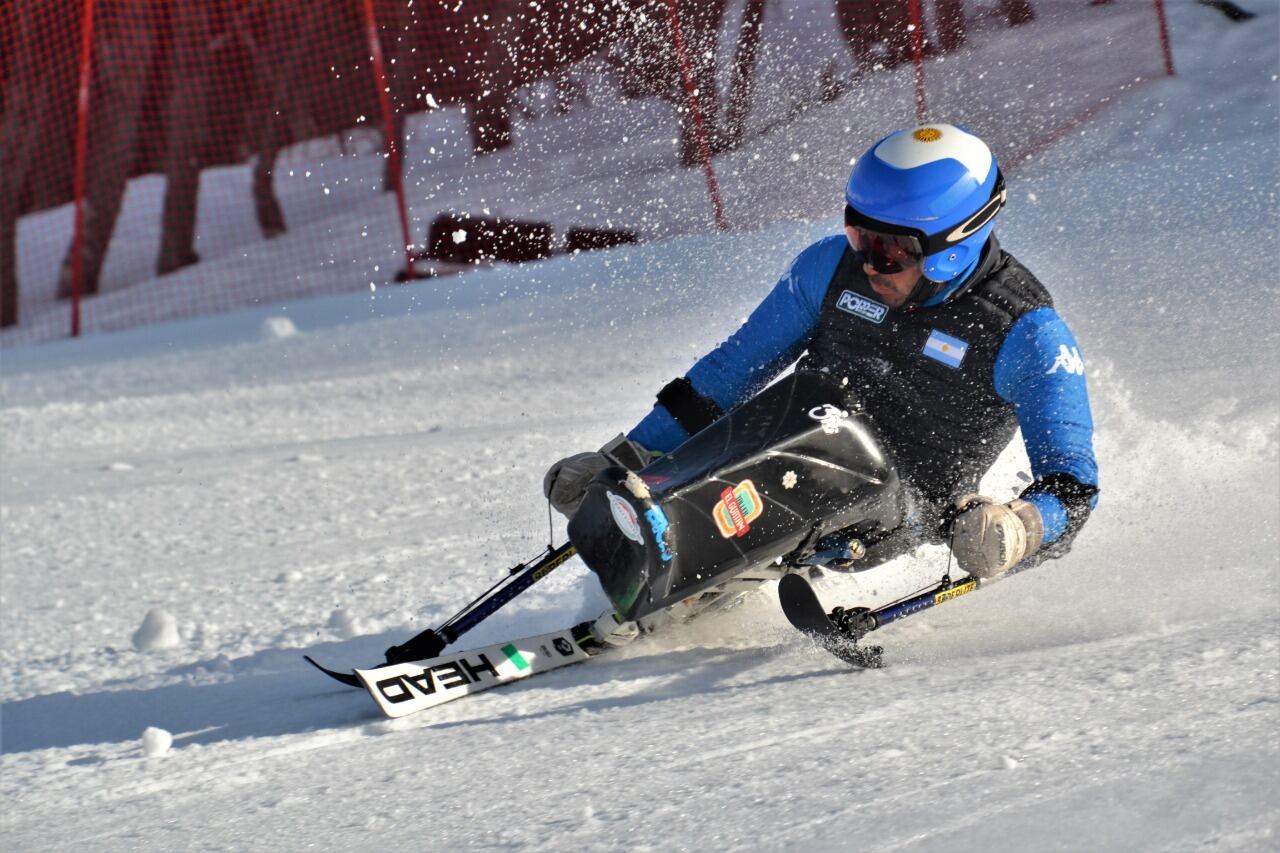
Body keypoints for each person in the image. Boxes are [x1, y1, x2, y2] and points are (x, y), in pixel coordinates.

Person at [546, 123, 1098, 609]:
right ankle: (658, 529)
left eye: (889, 249)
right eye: (860, 235)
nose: (868, 263)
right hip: (787, 442)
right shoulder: (829, 270)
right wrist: (628, 456)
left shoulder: (1026, 334)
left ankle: (680, 555)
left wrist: (1018, 528)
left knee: (832, 438)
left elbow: (1073, 487)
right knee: (797, 408)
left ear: (952, 245)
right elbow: (727, 377)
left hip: (899, 507)